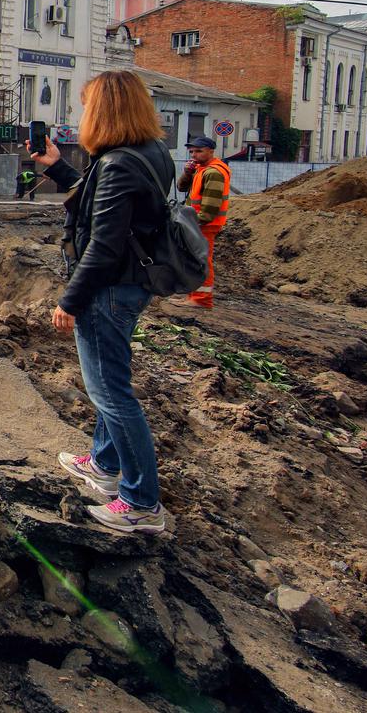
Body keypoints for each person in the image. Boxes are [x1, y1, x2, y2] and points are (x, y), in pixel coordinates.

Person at [28, 70, 174, 535]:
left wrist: (70, 301)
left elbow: (104, 244)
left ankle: (141, 504)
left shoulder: (118, 164)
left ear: (105, 110)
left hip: (108, 289)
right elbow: (100, 204)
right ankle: (104, 465)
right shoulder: (146, 153)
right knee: (111, 383)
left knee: (110, 393)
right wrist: (56, 166)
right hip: (130, 284)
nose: (82, 113)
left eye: (87, 105)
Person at [178, 135, 230, 308]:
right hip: (197, 223)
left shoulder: (213, 172)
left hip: (204, 225)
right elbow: (181, 187)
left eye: (198, 151)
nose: (194, 155)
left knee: (201, 260)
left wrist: (197, 222)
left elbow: (210, 205)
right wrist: (187, 173)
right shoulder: (201, 169)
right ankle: (193, 295)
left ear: (210, 151)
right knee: (194, 259)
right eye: (192, 151)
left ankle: (202, 299)